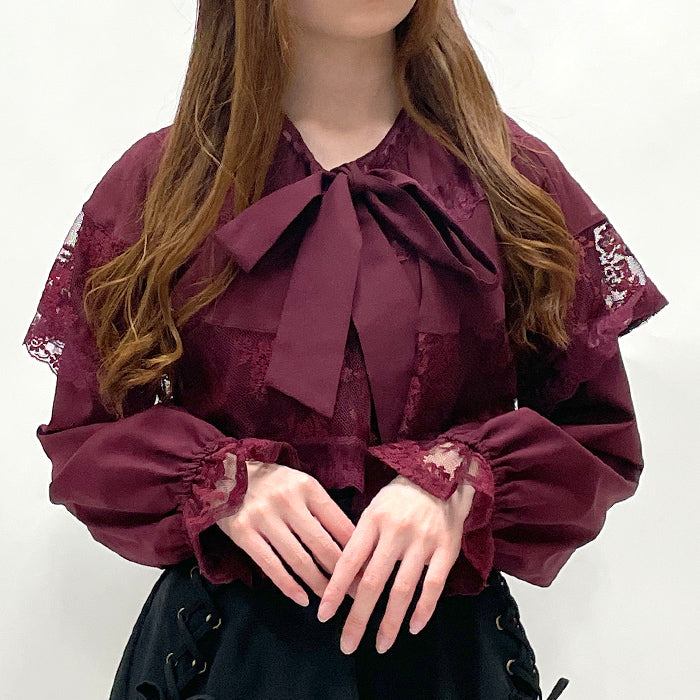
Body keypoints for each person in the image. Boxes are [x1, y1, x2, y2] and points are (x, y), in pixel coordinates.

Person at [23, 2, 669, 699]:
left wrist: (459, 482)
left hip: (449, 667)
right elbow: (87, 440)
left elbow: (597, 440)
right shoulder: (165, 183)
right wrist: (224, 482)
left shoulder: (513, 181)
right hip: (225, 664)